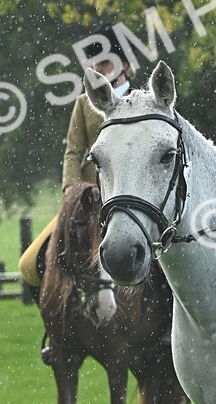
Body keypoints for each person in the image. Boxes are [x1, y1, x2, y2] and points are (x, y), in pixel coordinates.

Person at [18, 27, 135, 292]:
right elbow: (73, 150)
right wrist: (72, 187)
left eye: (105, 63)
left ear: (125, 64)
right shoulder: (83, 103)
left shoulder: (140, 102)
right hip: (88, 200)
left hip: (131, 198)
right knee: (29, 264)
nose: (99, 69)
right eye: (95, 64)